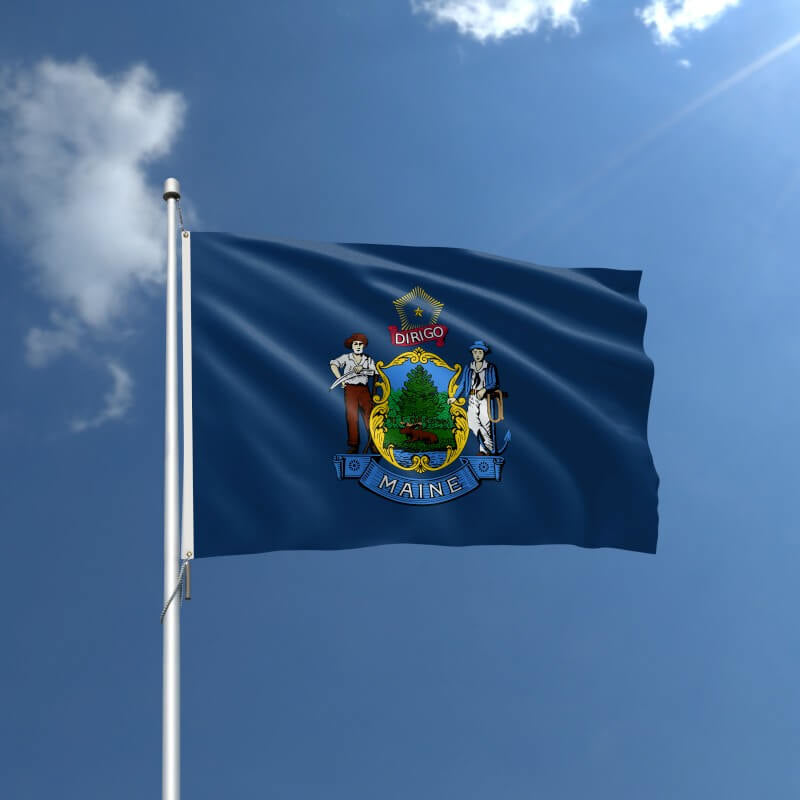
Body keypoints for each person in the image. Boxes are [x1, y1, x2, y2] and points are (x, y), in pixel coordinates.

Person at [330, 333, 376, 454]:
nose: (358, 346)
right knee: (352, 417)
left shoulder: (368, 359)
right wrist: (341, 379)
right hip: (350, 390)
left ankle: (374, 443)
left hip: (364, 390)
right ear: (352, 345)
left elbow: (375, 372)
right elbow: (333, 364)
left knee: (369, 416)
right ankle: (353, 445)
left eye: (361, 344)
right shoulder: (346, 357)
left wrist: (363, 370)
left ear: (364, 346)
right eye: (356, 344)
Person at [449, 340, 498, 454]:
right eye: (475, 352)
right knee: (472, 422)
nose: (477, 355)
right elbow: (462, 384)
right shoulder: (468, 368)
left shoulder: (490, 367)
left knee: (485, 422)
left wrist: (484, 389)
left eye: (480, 352)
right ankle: (489, 445)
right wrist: (455, 397)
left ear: (484, 353)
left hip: (485, 398)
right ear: (472, 353)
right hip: (472, 398)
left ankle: (483, 451)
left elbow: (494, 383)